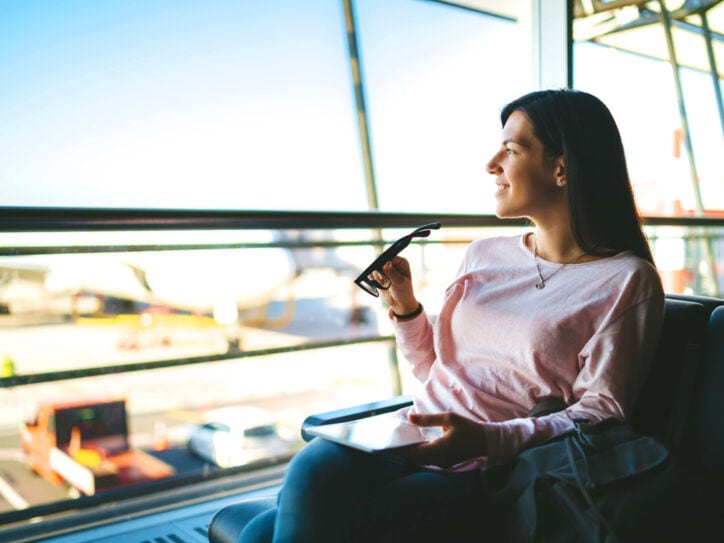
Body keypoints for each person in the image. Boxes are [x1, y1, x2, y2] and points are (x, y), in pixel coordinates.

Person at [239, 89, 665, 542]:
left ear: (562, 168)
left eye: (513, 149)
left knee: (269, 527)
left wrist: (487, 440)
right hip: (412, 434)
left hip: (492, 468)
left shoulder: (626, 280)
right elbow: (434, 369)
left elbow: (603, 412)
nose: (491, 163)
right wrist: (405, 309)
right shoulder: (483, 254)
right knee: (309, 471)